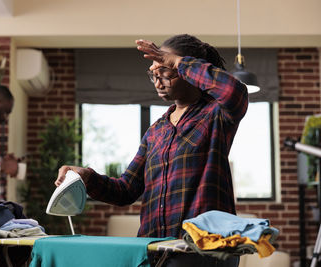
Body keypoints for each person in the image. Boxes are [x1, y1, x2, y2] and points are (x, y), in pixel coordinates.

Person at [55, 34, 248, 266]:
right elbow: (126, 190)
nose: (158, 82)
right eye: (154, 75)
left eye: (165, 73)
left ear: (187, 70)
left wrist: (178, 62)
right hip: (156, 251)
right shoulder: (156, 131)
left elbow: (234, 91)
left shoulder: (216, 114)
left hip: (203, 251)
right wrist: (87, 177)